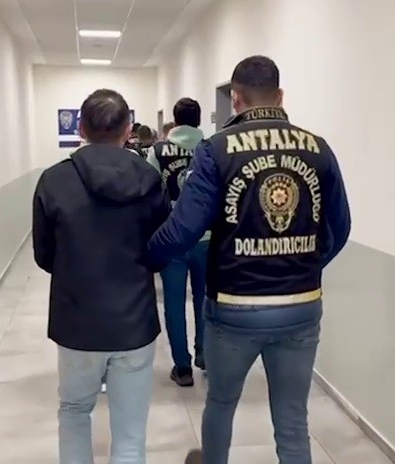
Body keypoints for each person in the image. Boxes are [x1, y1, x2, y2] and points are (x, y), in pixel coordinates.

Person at [148, 56, 352, 464]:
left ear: (236, 99)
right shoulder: (319, 148)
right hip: (300, 306)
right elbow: (340, 228)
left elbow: (184, 230)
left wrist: (144, 257)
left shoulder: (216, 150)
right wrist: (302, 266)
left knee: (221, 403)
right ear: (280, 96)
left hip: (235, 308)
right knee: (293, 420)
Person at [33, 89, 171, 464]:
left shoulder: (53, 181)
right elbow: (160, 247)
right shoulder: (149, 179)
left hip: (76, 322)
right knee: (130, 433)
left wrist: (77, 270)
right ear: (128, 130)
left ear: (80, 128)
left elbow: (44, 255)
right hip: (134, 323)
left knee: (74, 412)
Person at [146, 98, 209, 387]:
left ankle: (182, 367)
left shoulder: (158, 151)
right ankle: (204, 354)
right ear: (198, 120)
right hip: (206, 238)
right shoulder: (211, 148)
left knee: (173, 302)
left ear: (175, 119)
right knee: (204, 299)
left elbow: (149, 192)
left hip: (172, 237)